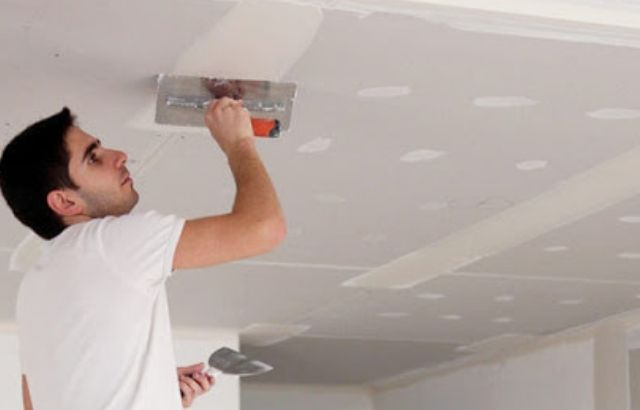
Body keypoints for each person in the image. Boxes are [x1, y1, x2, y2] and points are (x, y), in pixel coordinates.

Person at [0, 97, 286, 409]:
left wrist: (155, 388)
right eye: (93, 159)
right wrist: (238, 143)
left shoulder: (37, 288)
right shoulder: (105, 243)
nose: (119, 156)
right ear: (66, 203)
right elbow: (263, 228)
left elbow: (35, 401)